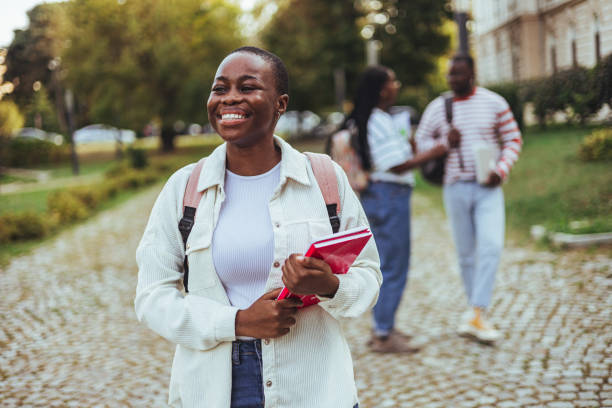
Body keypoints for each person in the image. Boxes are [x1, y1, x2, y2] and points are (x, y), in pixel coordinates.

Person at [134, 46, 381, 408]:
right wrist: (238, 321)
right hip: (216, 388)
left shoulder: (325, 179)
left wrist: (328, 285)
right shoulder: (185, 189)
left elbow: (369, 276)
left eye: (247, 87)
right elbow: (152, 298)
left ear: (280, 103)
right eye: (220, 89)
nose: (230, 98)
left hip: (314, 387)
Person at [415, 53, 523, 343]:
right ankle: (477, 314)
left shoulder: (494, 102)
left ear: (472, 74)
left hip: (488, 187)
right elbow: (421, 141)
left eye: (458, 74)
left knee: (491, 246)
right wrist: (443, 143)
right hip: (455, 188)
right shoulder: (439, 107)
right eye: (450, 74)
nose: (452, 79)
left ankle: (476, 311)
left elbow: (513, 139)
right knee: (465, 254)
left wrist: (501, 170)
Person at [344, 66, 441, 353]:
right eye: (393, 81)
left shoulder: (375, 119)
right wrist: (434, 153)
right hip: (389, 194)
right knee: (393, 265)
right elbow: (395, 165)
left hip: (380, 195)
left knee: (387, 262)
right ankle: (383, 333)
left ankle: (384, 326)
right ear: (382, 89)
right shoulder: (377, 120)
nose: (397, 85)